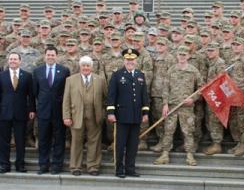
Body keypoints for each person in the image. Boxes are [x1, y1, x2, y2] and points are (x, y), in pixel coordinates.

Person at [154, 46, 203, 166]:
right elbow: (165, 88)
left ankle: (190, 155)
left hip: (186, 108)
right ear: (177, 55)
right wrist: (165, 104)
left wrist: (193, 99)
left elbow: (201, 88)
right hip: (172, 106)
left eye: (184, 54)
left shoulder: (193, 70)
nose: (182, 56)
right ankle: (165, 154)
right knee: (168, 131)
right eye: (180, 54)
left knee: (188, 132)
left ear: (188, 56)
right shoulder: (171, 70)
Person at [106, 48, 150, 178]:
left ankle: (130, 169)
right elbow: (111, 95)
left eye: (132, 60)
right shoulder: (117, 75)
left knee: (133, 145)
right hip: (122, 115)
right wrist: (111, 112)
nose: (130, 61)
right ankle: (119, 169)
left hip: (136, 116)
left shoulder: (140, 75)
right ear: (124, 60)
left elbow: (144, 96)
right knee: (120, 144)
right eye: (128, 59)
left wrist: (145, 113)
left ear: (136, 61)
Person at [0, 52, 36, 174]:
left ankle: (20, 165)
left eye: (15, 59)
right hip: (4, 112)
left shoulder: (27, 76)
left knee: (20, 140)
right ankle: (4, 165)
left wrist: (32, 109)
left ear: (20, 61)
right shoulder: (1, 76)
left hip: (21, 112)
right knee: (4, 140)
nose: (13, 61)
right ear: (8, 61)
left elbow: (30, 95)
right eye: (11, 59)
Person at [62, 56, 108, 176]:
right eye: (84, 65)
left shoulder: (100, 80)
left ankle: (93, 166)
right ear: (80, 67)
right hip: (76, 115)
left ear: (91, 67)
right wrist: (66, 116)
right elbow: (66, 99)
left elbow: (105, 99)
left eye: (88, 65)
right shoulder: (70, 80)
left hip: (94, 116)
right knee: (77, 141)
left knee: (94, 142)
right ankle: (75, 166)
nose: (86, 68)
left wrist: (102, 114)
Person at [32, 46, 70, 175]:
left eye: (53, 55)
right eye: (48, 55)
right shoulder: (38, 71)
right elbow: (35, 92)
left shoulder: (64, 71)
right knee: (43, 139)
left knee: (59, 139)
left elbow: (66, 92)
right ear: (44, 56)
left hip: (59, 111)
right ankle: (43, 165)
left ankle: (57, 166)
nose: (50, 57)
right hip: (43, 111)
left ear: (57, 56)